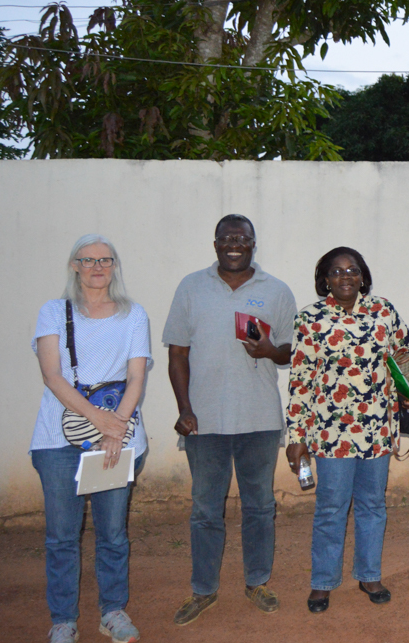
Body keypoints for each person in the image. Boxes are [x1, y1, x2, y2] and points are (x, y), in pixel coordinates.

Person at [163, 214, 297, 625]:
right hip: (204, 423)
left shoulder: (276, 290)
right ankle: (203, 589)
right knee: (206, 510)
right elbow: (177, 354)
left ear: (254, 244)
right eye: (227, 237)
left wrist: (269, 352)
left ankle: (256, 581)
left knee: (259, 507)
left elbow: (292, 352)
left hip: (259, 419)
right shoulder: (191, 286)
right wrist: (184, 409)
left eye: (242, 238)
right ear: (216, 243)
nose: (234, 243)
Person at [31, 234, 151, 643]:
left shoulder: (134, 315)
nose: (98, 267)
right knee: (62, 536)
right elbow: (52, 375)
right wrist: (101, 420)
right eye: (89, 260)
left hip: (117, 438)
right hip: (58, 441)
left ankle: (112, 612)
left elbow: (136, 375)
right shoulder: (53, 311)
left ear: (115, 266)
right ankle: (63, 619)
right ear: (74, 266)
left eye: (105, 259)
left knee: (113, 534)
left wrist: (116, 426)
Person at [284, 247, 409, 613]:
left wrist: (408, 391)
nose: (345, 277)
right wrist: (297, 436)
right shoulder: (310, 319)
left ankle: (369, 575)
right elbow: (301, 380)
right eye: (337, 271)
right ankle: (323, 582)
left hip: (377, 429)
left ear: (362, 276)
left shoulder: (383, 312)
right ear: (325, 278)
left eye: (352, 270)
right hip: (329, 433)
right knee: (331, 508)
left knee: (373, 505)